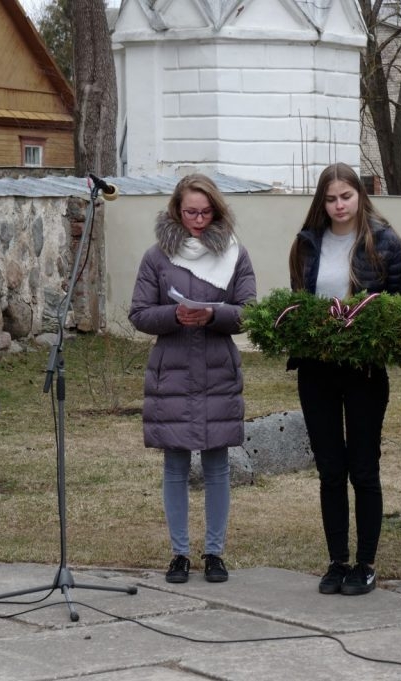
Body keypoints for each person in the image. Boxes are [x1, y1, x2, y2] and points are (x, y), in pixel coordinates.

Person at [129, 173, 256, 584]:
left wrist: (214, 314)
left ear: (216, 211)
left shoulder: (235, 254)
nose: (197, 220)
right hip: (173, 369)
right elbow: (139, 313)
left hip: (217, 367)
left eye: (205, 212)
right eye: (189, 212)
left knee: (218, 464)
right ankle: (179, 554)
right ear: (176, 211)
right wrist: (175, 315)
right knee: (175, 465)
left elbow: (248, 310)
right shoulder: (157, 257)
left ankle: (215, 553)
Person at [288, 163, 401, 596]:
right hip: (316, 368)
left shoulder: (386, 242)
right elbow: (299, 304)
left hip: (364, 370)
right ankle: (337, 560)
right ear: (321, 202)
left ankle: (366, 563)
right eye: (330, 199)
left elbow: (398, 309)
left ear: (360, 195)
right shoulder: (306, 243)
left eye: (346, 197)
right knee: (330, 469)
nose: (339, 206)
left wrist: (364, 332)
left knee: (363, 467)